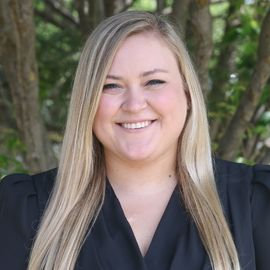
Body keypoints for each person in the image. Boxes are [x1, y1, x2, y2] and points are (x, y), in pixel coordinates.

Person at [0, 10, 269, 270]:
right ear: (87, 102)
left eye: (154, 81)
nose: (134, 104)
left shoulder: (253, 203)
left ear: (188, 94)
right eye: (111, 86)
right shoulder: (24, 209)